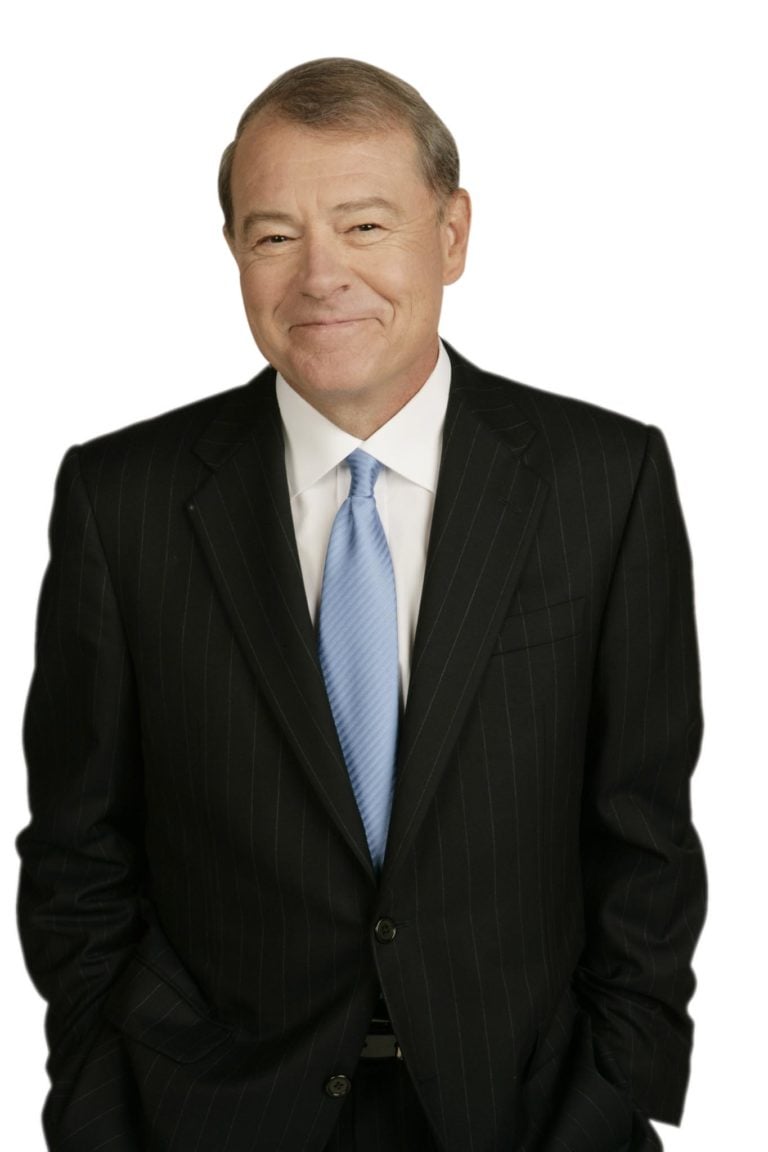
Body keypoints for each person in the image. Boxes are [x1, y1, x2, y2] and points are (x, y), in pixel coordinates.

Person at [17, 58, 705, 1152]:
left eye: (366, 226)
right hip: (210, 1116)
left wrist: (614, 1094)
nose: (320, 276)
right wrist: (101, 1109)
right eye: (274, 235)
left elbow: (646, 839)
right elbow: (77, 850)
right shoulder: (121, 502)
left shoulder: (603, 483)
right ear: (235, 251)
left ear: (452, 234)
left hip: (525, 1113)